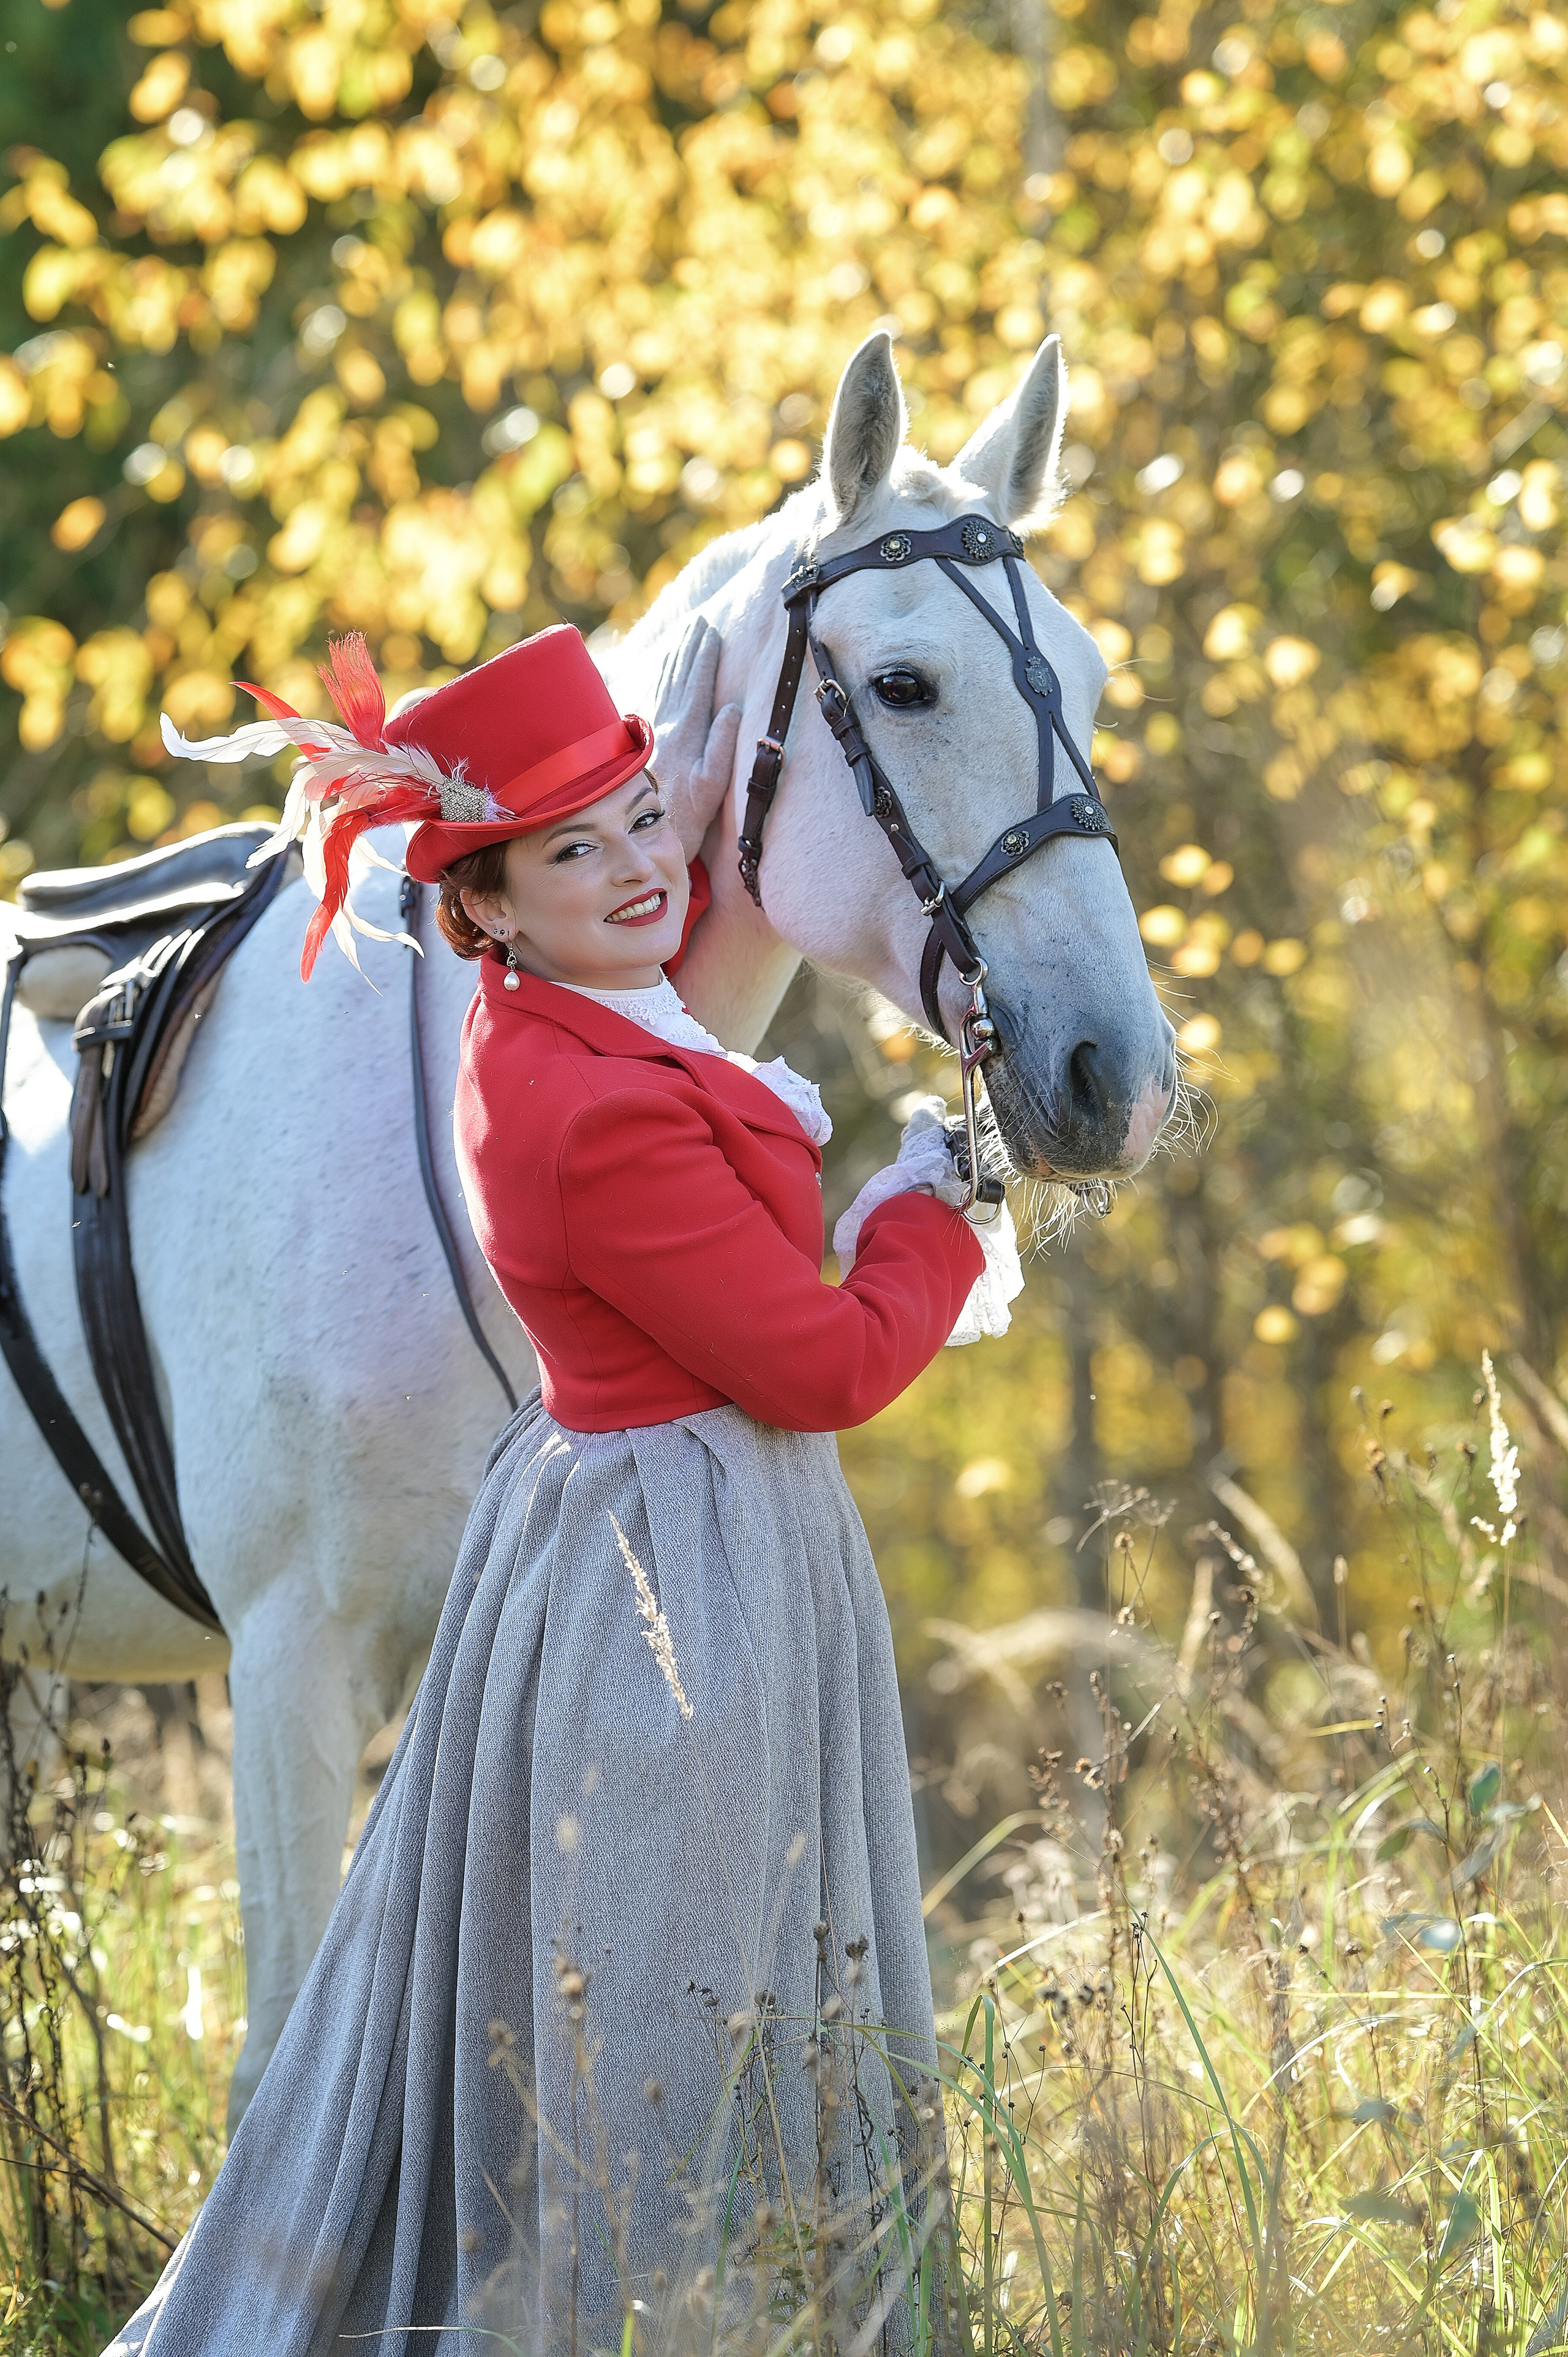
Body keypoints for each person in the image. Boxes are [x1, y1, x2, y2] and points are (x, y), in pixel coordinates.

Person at [112, 622, 1022, 2354]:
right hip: (676, 1565)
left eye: (632, 817)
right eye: (570, 849)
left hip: (653, 1514)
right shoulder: (584, 1100)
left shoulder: (592, 1031)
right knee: (684, 1998)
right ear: (488, 911)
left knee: (719, 1980)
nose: (630, 867)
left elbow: (736, 1318)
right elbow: (819, 1367)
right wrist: (926, 1216)